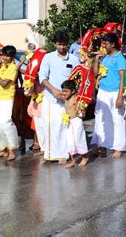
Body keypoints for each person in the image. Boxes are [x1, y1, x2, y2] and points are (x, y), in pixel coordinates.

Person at [39, 31, 79, 164]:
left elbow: (78, 78)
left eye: (64, 45)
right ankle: (50, 153)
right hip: (51, 97)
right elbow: (43, 77)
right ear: (54, 44)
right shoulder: (48, 57)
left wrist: (71, 94)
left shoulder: (74, 59)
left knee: (65, 125)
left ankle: (64, 154)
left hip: (68, 100)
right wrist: (54, 90)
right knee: (50, 124)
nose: (61, 47)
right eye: (59, 44)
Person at [91, 33, 126, 158]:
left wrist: (120, 96)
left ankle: (119, 147)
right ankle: (102, 145)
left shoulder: (120, 58)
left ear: (113, 44)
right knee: (101, 119)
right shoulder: (105, 57)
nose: (104, 46)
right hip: (103, 92)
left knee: (117, 119)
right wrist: (97, 59)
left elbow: (123, 78)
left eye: (106, 44)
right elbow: (96, 73)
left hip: (115, 92)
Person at [0, 45, 19, 161]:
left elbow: (4, 84)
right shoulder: (0, 66)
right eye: (4, 55)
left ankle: (12, 150)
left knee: (6, 122)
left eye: (8, 56)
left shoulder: (13, 68)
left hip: (7, 97)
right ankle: (2, 150)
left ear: (12, 57)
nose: (5, 58)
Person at [60, 80, 89, 168]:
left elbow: (85, 97)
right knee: (70, 141)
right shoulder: (65, 98)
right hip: (68, 122)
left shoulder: (76, 97)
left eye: (66, 91)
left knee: (78, 139)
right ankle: (74, 160)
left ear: (72, 91)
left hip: (76, 121)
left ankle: (85, 157)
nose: (64, 93)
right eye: (63, 90)